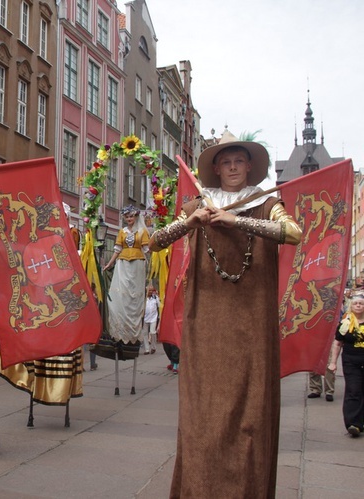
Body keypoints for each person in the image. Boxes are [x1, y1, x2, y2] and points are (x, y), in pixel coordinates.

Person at [150, 130, 301, 497]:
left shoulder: (267, 203)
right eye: (226, 162)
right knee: (203, 419)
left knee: (249, 418)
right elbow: (155, 241)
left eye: (239, 161)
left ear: (249, 166)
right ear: (216, 168)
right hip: (206, 326)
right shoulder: (199, 203)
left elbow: (293, 232)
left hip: (250, 325)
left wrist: (237, 221)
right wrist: (190, 222)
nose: (232, 168)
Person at [103, 205, 150, 347]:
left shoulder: (142, 231)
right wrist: (109, 264)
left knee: (134, 295)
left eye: (131, 216)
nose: (129, 219)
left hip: (137, 263)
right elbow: (117, 249)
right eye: (127, 217)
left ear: (136, 217)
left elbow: (147, 250)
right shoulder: (122, 232)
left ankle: (134, 331)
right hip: (122, 263)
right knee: (120, 294)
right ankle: (120, 330)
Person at [328, 293, 364, 437]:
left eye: (361, 303)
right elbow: (337, 343)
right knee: (354, 390)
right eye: (356, 303)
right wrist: (332, 363)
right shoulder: (346, 323)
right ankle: (353, 423)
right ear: (351, 306)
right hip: (351, 362)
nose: (358, 306)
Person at [142, 284, 160, 355]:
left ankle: (153, 347)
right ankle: (147, 349)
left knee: (152, 332)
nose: (150, 292)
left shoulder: (155, 298)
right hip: (146, 318)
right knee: (145, 333)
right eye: (149, 290)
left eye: (152, 290)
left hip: (153, 318)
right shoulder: (144, 299)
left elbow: (159, 306)